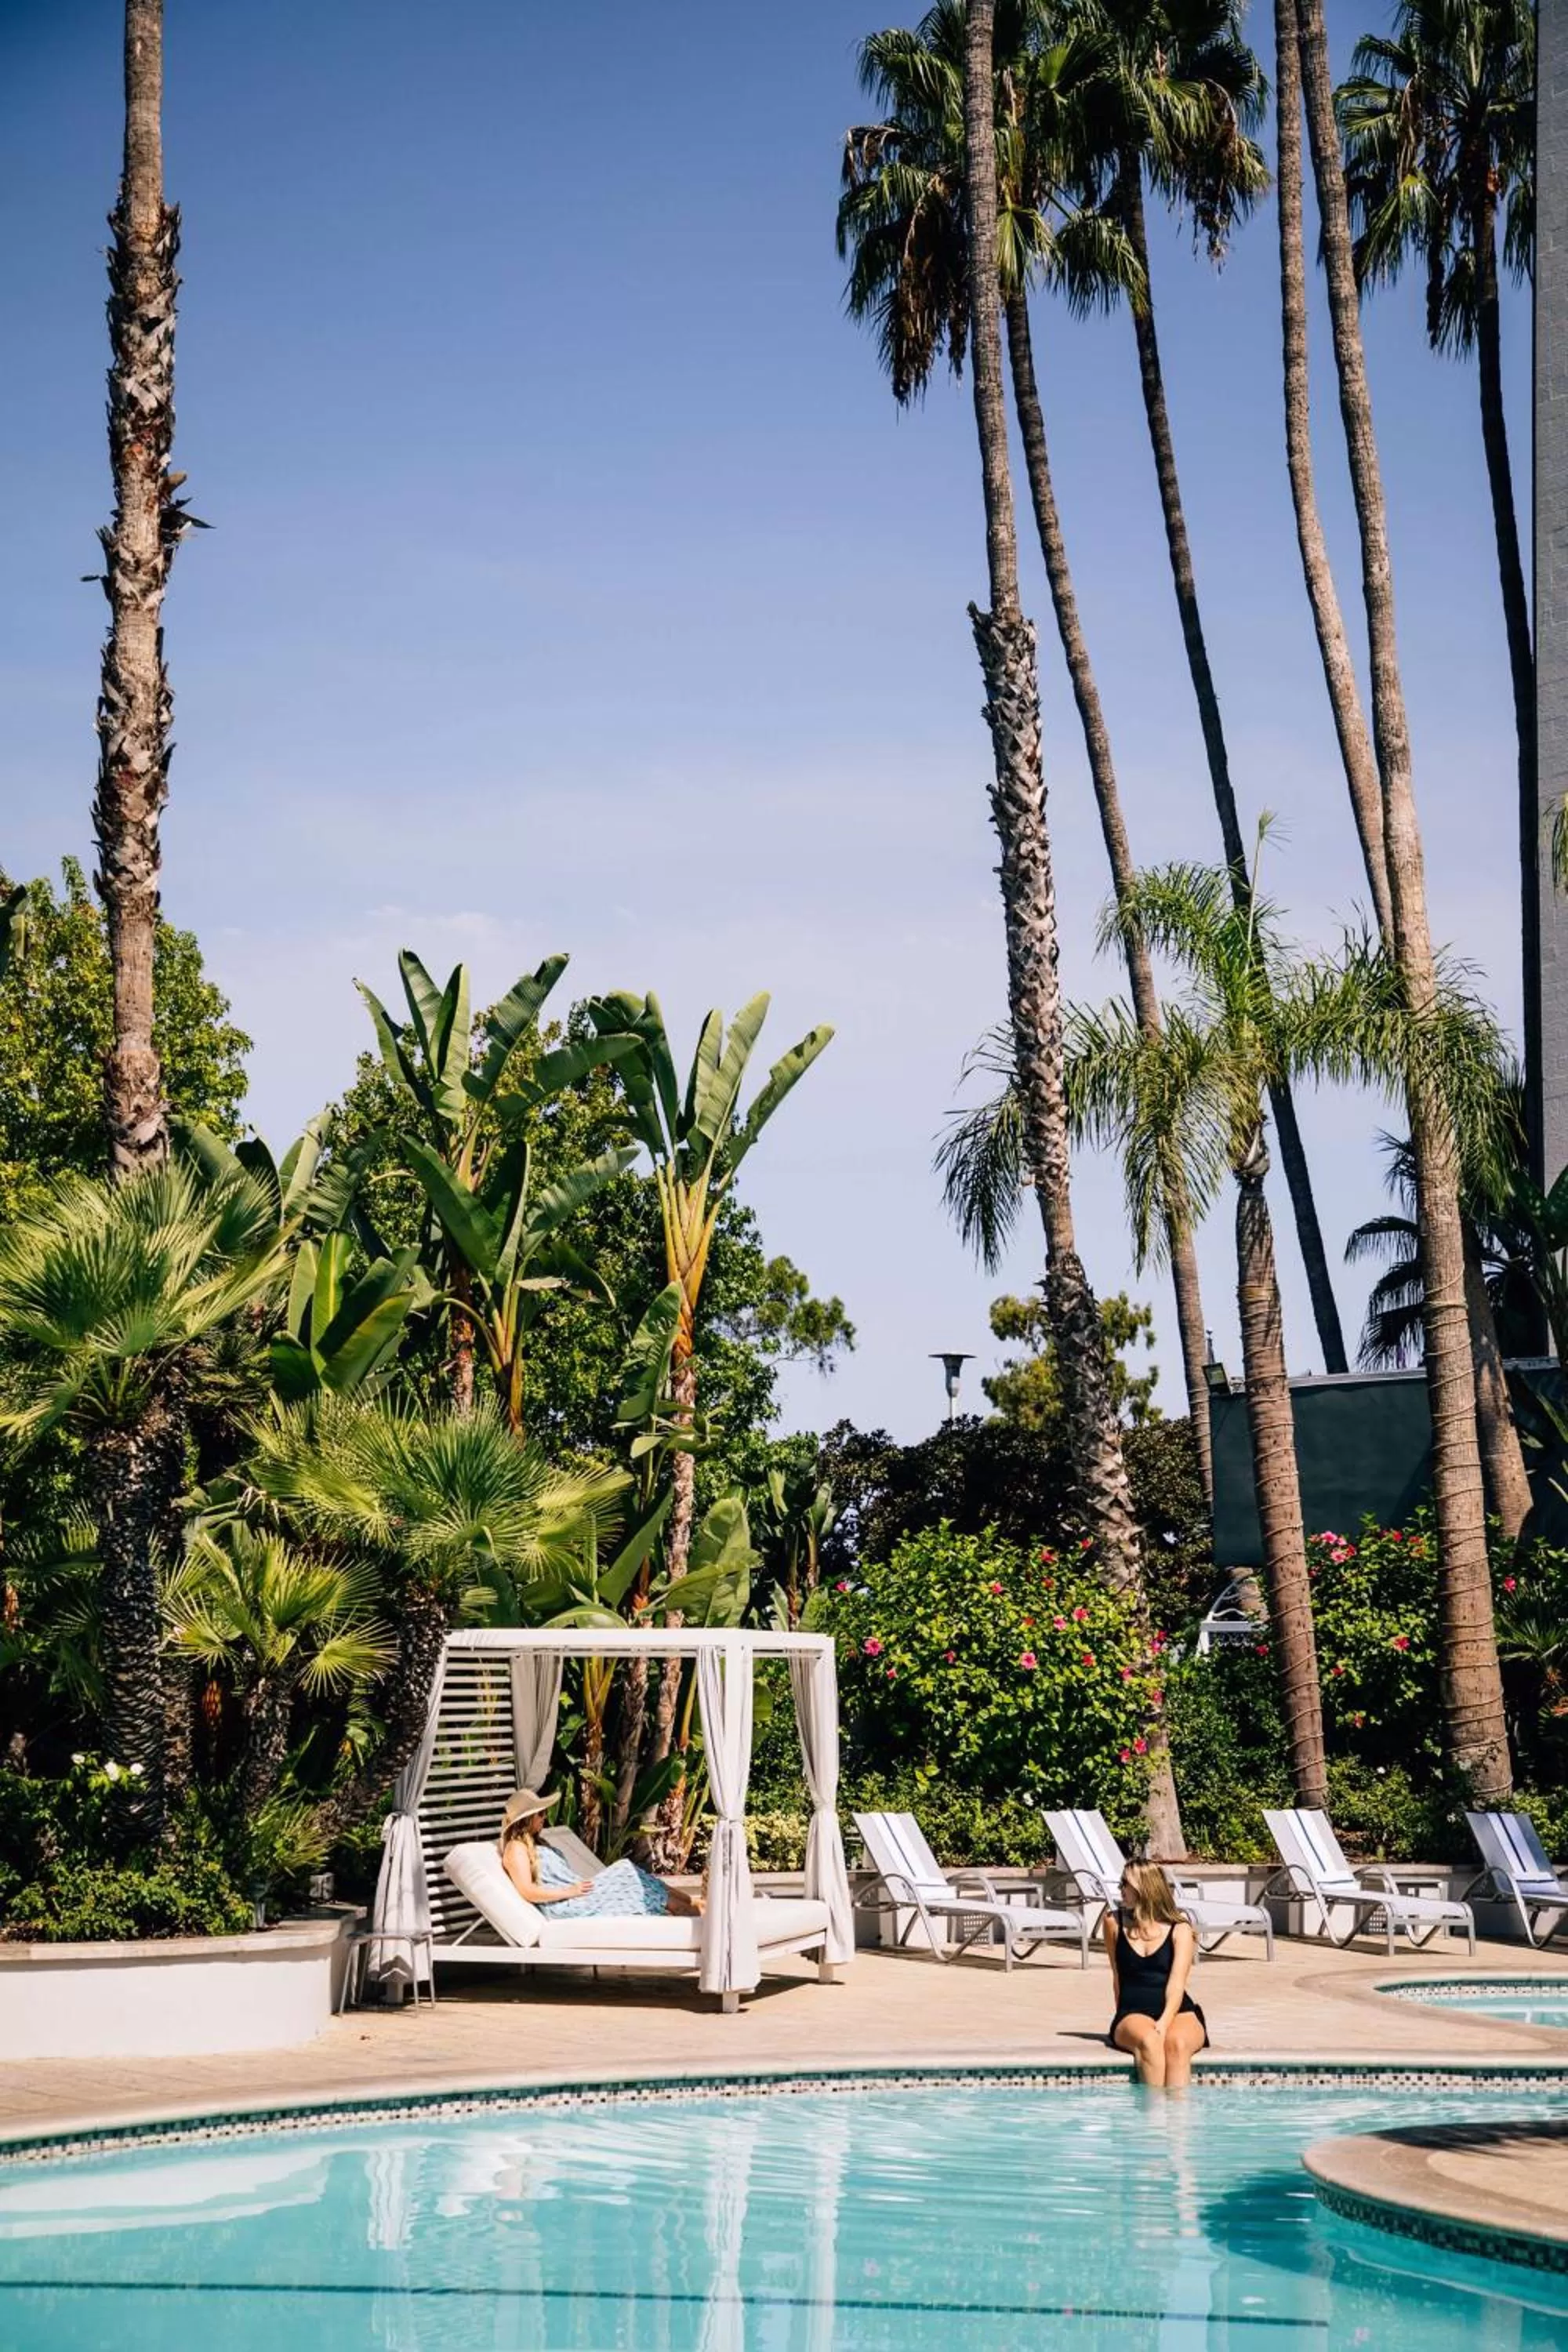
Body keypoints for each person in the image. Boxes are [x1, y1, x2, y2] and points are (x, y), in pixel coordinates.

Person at [497, 1787, 704, 1918]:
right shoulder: (516, 1849)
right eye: (540, 1814)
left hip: (577, 1895)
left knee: (627, 1870)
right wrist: (570, 1891)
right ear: (525, 1819)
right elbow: (527, 1891)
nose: (544, 1818)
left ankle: (690, 1903)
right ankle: (685, 1907)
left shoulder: (536, 1843)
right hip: (565, 1903)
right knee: (625, 1872)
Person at [1105, 1860, 1207, 2089]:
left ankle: (1179, 2119)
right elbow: (1117, 1976)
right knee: (1150, 2041)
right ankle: (1154, 2120)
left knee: (1177, 2044)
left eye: (1125, 1884)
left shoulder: (1180, 1928)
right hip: (1133, 2010)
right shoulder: (1113, 1922)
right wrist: (1122, 2015)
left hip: (1178, 2010)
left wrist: (1164, 2022)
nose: (1120, 1889)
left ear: (1144, 1888)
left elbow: (1177, 1983)